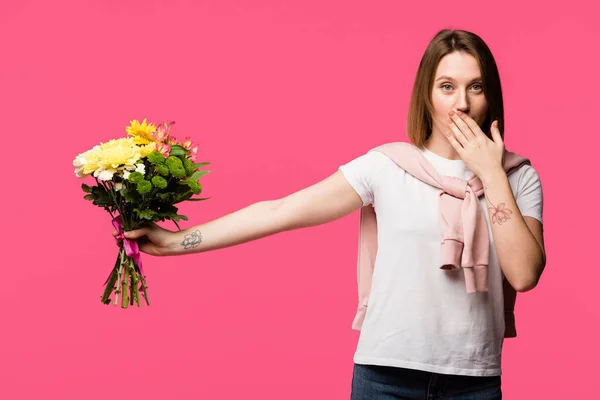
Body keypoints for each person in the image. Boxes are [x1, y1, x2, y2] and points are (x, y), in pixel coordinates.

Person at [114, 29, 546, 399]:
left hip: (474, 381)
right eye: (447, 86)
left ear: (491, 95)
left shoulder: (516, 177)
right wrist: (176, 242)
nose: (462, 104)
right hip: (386, 375)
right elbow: (281, 211)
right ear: (427, 95)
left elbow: (524, 274)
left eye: (476, 86)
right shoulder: (387, 166)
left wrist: (490, 171)